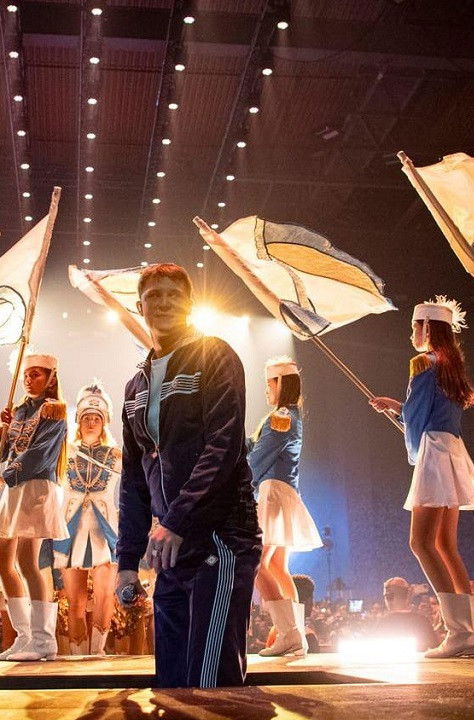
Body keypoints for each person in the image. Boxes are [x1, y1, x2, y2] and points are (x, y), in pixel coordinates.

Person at [115, 263, 261, 688]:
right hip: (171, 548)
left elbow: (225, 444)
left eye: (172, 294)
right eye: (153, 295)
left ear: (190, 303)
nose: (162, 302)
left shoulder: (214, 355)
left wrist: (176, 520)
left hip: (220, 534)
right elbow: (134, 478)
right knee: (172, 685)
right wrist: (126, 560)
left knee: (211, 683)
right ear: (139, 306)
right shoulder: (135, 385)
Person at [369, 296, 474, 658]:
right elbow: (424, 410)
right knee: (446, 546)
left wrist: (411, 441)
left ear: (425, 328)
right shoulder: (450, 364)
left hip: (434, 454)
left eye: (414, 326)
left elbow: (418, 421)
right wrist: (398, 408)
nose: (411, 333)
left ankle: (458, 632)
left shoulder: (422, 362)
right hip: (453, 450)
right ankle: (471, 634)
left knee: (421, 543)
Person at [0, 353, 69, 661]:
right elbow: (4, 451)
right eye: (27, 374)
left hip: (35, 487)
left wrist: (6, 477)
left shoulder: (55, 411)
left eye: (37, 374)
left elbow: (40, 455)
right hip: (16, 488)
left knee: (27, 561)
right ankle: (24, 637)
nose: (29, 379)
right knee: (0, 557)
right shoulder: (18, 411)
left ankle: (43, 640)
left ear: (51, 378)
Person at [250, 357, 323, 657]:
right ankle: (297, 635)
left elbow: (258, 458)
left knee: (256, 562)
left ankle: (288, 632)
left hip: (273, 492)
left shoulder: (281, 417)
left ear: (280, 383)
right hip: (284, 492)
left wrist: (231, 478)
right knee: (279, 566)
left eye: (269, 385)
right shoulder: (290, 415)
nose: (267, 391)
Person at [53, 381, 122, 657]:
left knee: (106, 594)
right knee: (75, 601)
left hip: (106, 532)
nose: (91, 422)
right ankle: (77, 656)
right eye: (86, 418)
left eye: (97, 418)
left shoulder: (117, 456)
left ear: (104, 423)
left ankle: (97, 652)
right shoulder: (64, 453)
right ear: (78, 422)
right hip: (70, 532)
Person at [373, 577, 439, 651]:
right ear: (408, 596)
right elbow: (435, 648)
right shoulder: (423, 621)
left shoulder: (383, 623)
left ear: (389, 597)